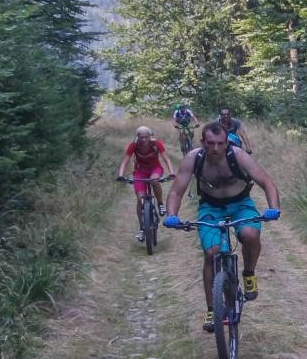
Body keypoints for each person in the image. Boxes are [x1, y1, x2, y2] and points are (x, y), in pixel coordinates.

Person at [162, 122, 282, 331]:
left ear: (227, 143)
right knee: (212, 253)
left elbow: (267, 183)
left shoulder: (239, 156)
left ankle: (249, 273)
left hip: (241, 205)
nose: (215, 148)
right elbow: (176, 192)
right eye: (210, 143)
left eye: (220, 143)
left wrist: (274, 208)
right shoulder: (194, 158)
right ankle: (212, 310)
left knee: (250, 234)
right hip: (210, 207)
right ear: (202, 142)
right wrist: (172, 215)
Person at [115, 126, 173, 233]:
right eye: (141, 137)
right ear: (137, 137)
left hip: (155, 168)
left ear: (150, 136)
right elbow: (125, 161)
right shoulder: (133, 145)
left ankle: (160, 204)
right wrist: (121, 175)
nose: (144, 139)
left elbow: (167, 159)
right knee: (140, 199)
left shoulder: (156, 144)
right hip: (140, 171)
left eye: (146, 137)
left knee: (154, 180)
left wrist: (172, 173)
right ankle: (142, 227)